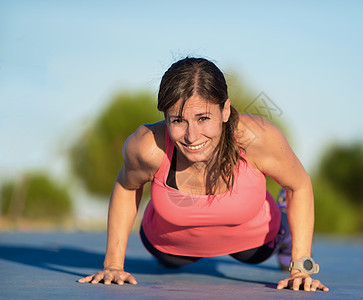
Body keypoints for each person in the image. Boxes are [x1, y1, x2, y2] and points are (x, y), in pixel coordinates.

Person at [78, 57, 329, 292]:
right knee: (171, 262)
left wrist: (300, 267)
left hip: (253, 239)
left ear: (226, 110)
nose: (192, 136)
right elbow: (127, 186)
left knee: (255, 254)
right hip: (171, 244)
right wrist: (113, 265)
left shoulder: (259, 138)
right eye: (178, 120)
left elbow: (299, 185)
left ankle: (283, 218)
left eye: (203, 118)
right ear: (165, 117)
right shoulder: (146, 147)